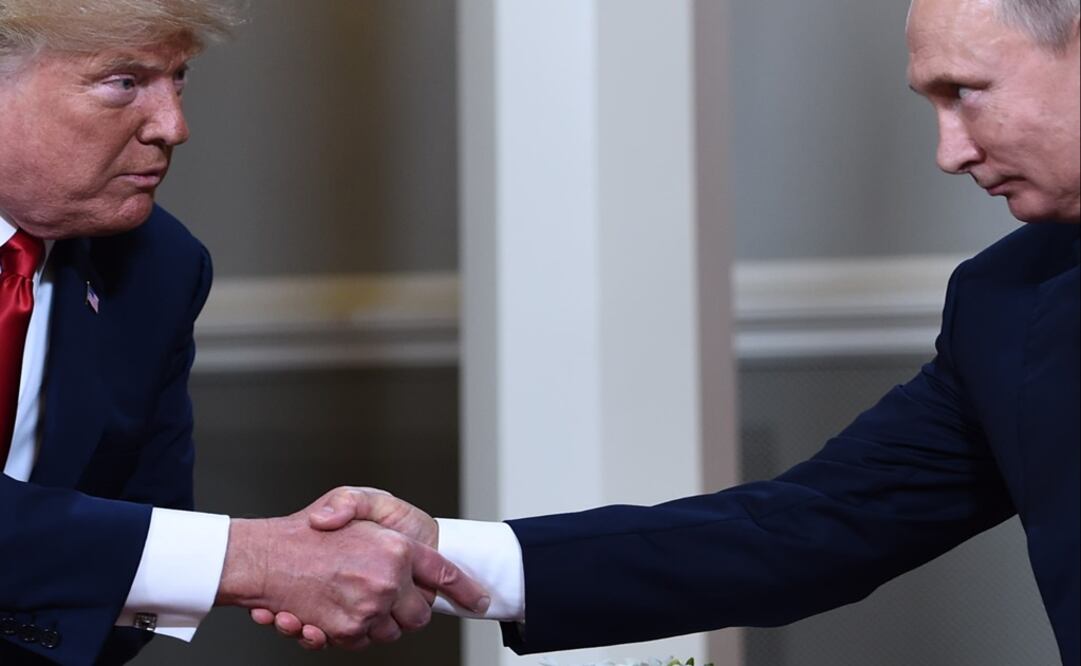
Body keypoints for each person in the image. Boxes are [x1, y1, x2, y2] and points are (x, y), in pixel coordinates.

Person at [264, 0, 1080, 663]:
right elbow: (813, 528)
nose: (946, 152)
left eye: (963, 91)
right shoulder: (1004, 301)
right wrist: (447, 557)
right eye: (930, 102)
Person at [0, 2, 488, 664]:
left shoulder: (159, 266)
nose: (174, 126)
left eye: (179, 79)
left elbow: (146, 530)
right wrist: (254, 558)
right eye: (123, 82)